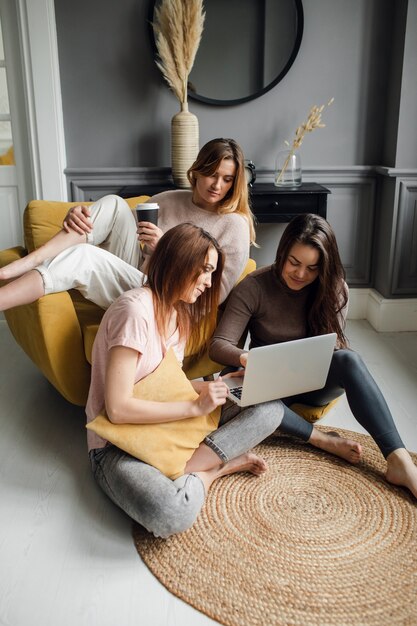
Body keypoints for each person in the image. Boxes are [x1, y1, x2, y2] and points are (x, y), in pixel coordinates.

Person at [87, 223, 284, 538]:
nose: (208, 282)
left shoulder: (179, 316)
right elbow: (118, 410)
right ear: (178, 262)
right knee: (171, 513)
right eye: (204, 270)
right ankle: (214, 469)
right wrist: (195, 410)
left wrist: (212, 387)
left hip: (166, 424)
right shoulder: (134, 311)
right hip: (118, 444)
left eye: (211, 272)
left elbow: (164, 385)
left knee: (271, 407)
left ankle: (187, 464)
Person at [209, 213, 417, 499]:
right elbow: (220, 344)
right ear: (282, 252)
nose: (301, 274)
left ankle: (399, 460)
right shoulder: (254, 287)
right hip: (265, 388)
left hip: (312, 385)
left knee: (349, 359)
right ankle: (320, 440)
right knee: (233, 379)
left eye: (312, 268)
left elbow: (333, 350)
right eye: (294, 262)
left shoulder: (334, 289)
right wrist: (246, 358)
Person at [0, 138, 254, 311]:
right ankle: (33, 260)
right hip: (137, 275)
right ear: (197, 171)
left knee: (84, 257)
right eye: (211, 174)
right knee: (113, 203)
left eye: (227, 179)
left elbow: (214, 298)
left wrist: (165, 248)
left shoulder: (235, 225)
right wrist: (77, 215)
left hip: (173, 298)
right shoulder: (168, 200)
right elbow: (109, 225)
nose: (217, 185)